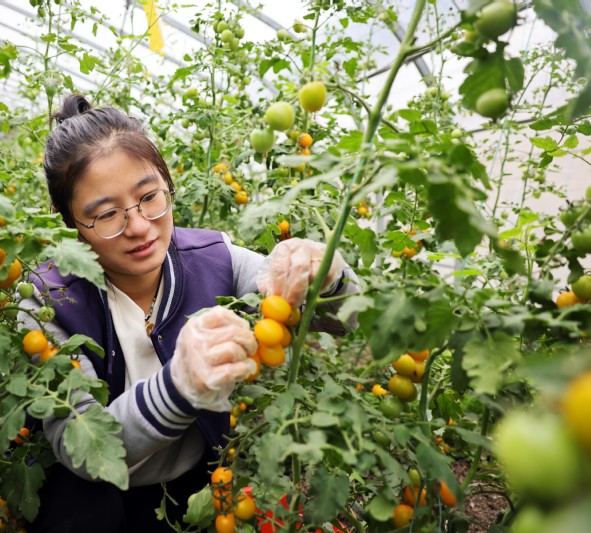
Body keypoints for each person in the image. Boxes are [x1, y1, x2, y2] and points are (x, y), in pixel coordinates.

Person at [18, 94, 358, 532]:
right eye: (106, 215)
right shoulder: (47, 302)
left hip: (199, 483)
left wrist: (325, 276)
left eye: (150, 196)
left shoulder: (215, 259)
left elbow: (341, 321)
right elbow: (81, 445)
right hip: (87, 498)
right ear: (70, 223)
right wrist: (180, 385)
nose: (139, 226)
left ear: (167, 183)